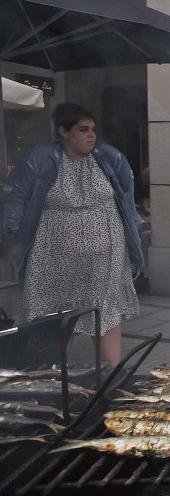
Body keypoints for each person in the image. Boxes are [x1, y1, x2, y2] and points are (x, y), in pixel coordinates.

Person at [2, 103, 143, 366]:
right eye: (83, 130)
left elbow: (126, 196)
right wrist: (13, 233)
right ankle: (56, 375)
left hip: (106, 253)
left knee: (104, 311)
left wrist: (135, 236)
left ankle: (115, 372)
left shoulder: (109, 157)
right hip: (53, 255)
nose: (91, 135)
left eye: (92, 129)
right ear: (63, 131)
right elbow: (15, 198)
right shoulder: (39, 158)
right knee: (56, 315)